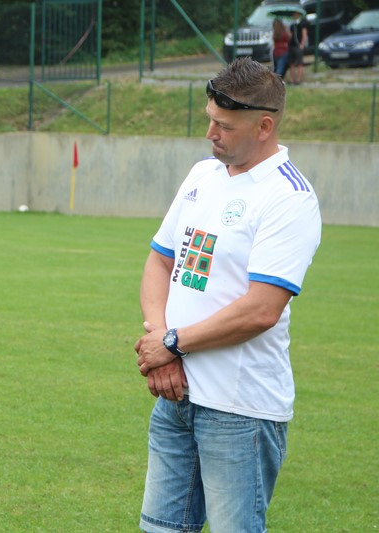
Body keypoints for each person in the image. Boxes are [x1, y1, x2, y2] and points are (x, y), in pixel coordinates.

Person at [133, 57, 321, 532]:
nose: (210, 134)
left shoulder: (289, 197)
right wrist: (163, 347)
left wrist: (172, 343)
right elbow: (160, 262)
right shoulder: (202, 175)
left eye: (224, 126)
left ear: (264, 126)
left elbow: (261, 310)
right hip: (175, 396)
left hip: (238, 411)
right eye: (210, 120)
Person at [288, 11, 309, 84]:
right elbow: (290, 36)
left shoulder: (302, 24)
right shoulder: (292, 25)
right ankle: (291, 79)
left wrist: (302, 45)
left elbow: (304, 35)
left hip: (298, 46)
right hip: (292, 45)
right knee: (291, 63)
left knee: (300, 63)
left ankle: (298, 79)